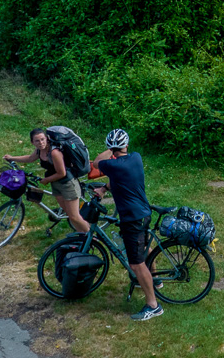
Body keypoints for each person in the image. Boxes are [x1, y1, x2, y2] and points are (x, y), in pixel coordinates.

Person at [91, 129, 162, 322]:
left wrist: (109, 150)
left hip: (132, 218)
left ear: (112, 148)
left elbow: (96, 163)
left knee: (136, 263)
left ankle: (153, 306)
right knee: (144, 247)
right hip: (143, 213)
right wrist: (105, 188)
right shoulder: (136, 158)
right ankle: (155, 279)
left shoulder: (111, 164)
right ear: (127, 145)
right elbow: (119, 180)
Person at [3, 127, 90, 234]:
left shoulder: (54, 153)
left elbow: (62, 173)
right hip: (56, 185)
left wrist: (46, 180)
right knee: (69, 214)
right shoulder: (39, 151)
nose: (41, 143)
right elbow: (30, 158)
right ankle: (82, 234)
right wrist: (12, 158)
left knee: (74, 216)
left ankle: (90, 236)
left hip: (68, 184)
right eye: (37, 141)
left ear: (47, 139)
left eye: (42, 139)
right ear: (32, 142)